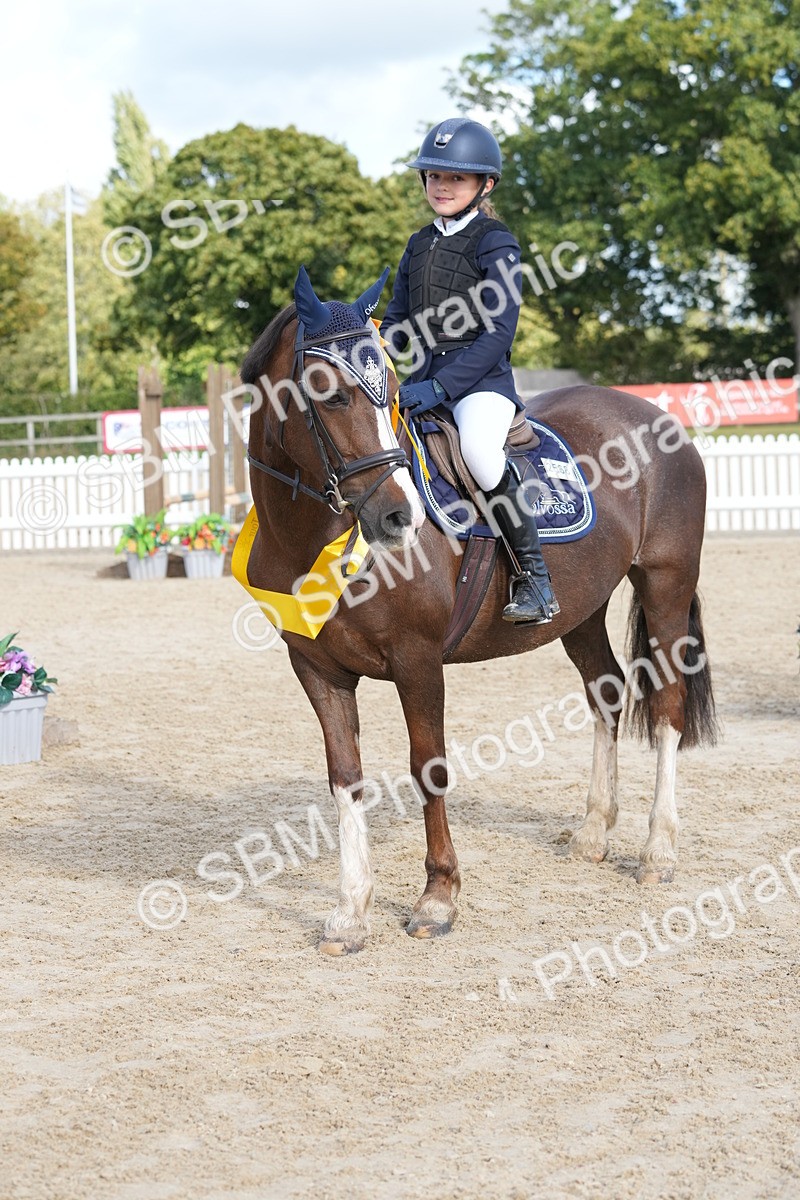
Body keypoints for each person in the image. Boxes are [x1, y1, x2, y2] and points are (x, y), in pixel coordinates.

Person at [380, 117, 559, 625]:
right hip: (421, 382)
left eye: (455, 178)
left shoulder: (494, 240)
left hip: (480, 385)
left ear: (485, 185)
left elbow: (500, 333)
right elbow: (398, 322)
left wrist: (442, 386)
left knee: (479, 452)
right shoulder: (418, 243)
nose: (441, 186)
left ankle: (535, 580)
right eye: (434, 176)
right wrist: (377, 348)